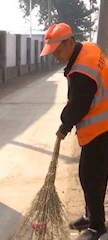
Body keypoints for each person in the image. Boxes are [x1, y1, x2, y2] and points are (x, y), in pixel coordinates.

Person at [40, 22, 108, 240]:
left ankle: (97, 226)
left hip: (101, 129)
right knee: (96, 175)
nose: (56, 57)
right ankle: (91, 216)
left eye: (58, 51)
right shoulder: (90, 48)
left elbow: (79, 105)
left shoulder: (80, 71)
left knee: (90, 178)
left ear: (69, 42)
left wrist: (64, 125)